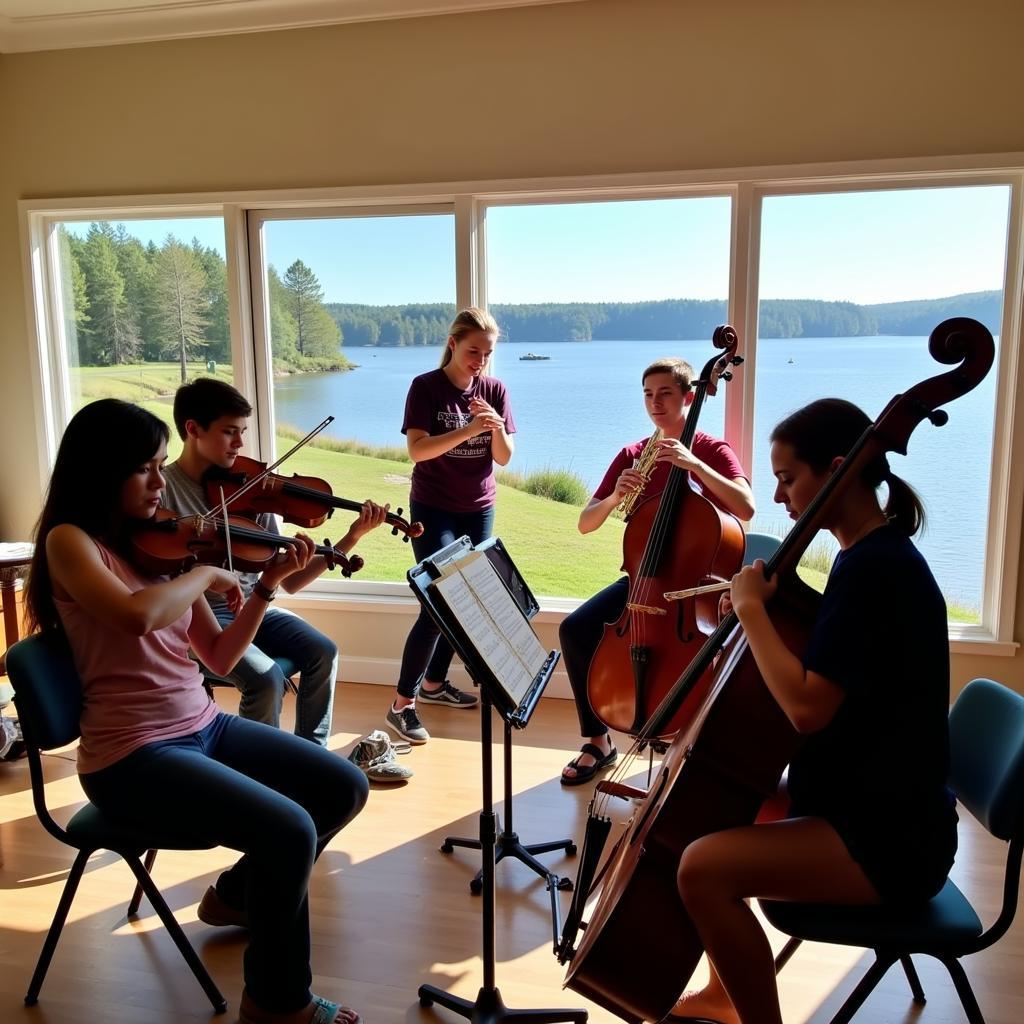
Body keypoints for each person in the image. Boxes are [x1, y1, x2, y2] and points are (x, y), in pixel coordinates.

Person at [24, 399, 368, 1024]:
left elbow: (217, 652)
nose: (161, 485)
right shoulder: (69, 542)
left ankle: (239, 895)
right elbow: (137, 616)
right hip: (131, 755)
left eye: (161, 467)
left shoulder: (157, 547)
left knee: (341, 785)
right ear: (101, 473)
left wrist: (262, 589)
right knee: (289, 830)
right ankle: (276, 1003)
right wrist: (207, 571)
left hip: (201, 724)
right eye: (145, 471)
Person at [670, 397, 958, 1024]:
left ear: (836, 469)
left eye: (787, 478)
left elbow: (805, 708)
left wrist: (750, 613)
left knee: (700, 871)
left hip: (890, 842)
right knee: (715, 803)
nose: (779, 497)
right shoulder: (869, 559)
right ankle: (724, 996)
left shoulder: (875, 573)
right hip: (869, 801)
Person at [559, 357, 755, 784]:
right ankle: (598, 742)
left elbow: (746, 507)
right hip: (644, 579)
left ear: (689, 396)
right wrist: (613, 496)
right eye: (648, 394)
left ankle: (691, 740)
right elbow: (585, 522)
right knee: (576, 630)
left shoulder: (710, 449)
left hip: (694, 586)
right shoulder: (635, 454)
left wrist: (696, 468)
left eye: (665, 393)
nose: (655, 402)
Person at [161, 378, 386, 747]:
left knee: (323, 652)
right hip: (203, 622)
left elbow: (289, 581)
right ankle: (263, 767)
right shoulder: (165, 491)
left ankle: (312, 754)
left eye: (243, 432)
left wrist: (350, 538)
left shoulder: (249, 488)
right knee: (265, 678)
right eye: (229, 432)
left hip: (255, 607)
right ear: (192, 429)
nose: (240, 443)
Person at [385, 307, 516, 745]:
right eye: (473, 349)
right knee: (437, 600)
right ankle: (401, 704)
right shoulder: (425, 387)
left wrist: (494, 428)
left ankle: (434, 685)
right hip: (433, 507)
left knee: (469, 599)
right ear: (453, 343)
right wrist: (469, 429)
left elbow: (504, 457)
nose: (480, 359)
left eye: (488, 352)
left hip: (479, 507)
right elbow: (418, 451)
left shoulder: (494, 390)